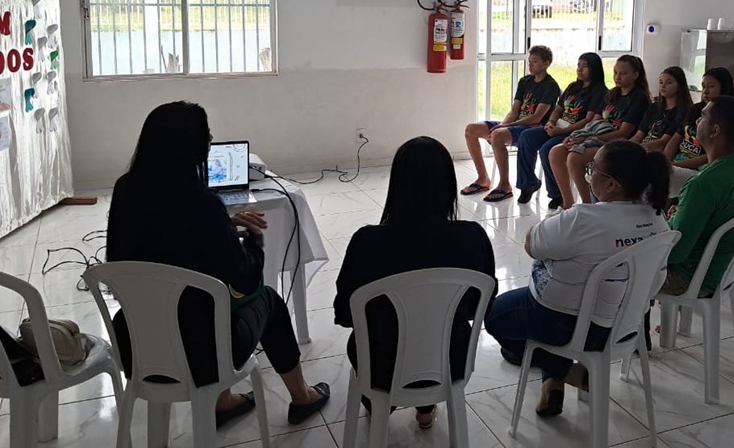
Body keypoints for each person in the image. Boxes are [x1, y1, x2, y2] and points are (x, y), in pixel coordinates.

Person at [106, 101, 329, 429]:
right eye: (205, 134)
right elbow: (248, 279)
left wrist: (221, 228)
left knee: (204, 308)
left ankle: (224, 402)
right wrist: (252, 237)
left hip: (136, 344)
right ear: (191, 145)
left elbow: (146, 249)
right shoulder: (201, 204)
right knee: (269, 301)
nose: (211, 138)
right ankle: (301, 397)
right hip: (202, 353)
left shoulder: (125, 189)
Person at [485, 140, 670, 417]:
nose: (588, 172)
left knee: (496, 317)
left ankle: (565, 371)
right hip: (621, 327)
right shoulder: (657, 217)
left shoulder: (583, 219)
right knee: (566, 297)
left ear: (611, 186)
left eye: (593, 168)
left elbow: (531, 244)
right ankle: (554, 381)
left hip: (565, 324)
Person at [334, 136, 498, 429]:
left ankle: (379, 403)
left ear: (395, 184)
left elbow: (346, 315)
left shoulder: (367, 242)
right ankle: (425, 407)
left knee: (377, 336)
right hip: (451, 361)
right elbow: (480, 306)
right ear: (449, 184)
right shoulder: (473, 237)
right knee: (435, 330)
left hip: (380, 365)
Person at [661, 96, 734, 299]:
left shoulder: (703, 183)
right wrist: (682, 214)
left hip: (689, 278)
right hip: (723, 270)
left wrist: (670, 222)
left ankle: (628, 329)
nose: (696, 121)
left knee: (614, 275)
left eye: (702, 117)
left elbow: (675, 252)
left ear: (715, 130)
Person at [545, 55, 652, 209]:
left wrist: (589, 139)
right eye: (615, 72)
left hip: (617, 144)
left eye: (623, 73)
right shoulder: (611, 94)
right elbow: (593, 122)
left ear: (635, 75)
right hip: (596, 136)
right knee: (556, 152)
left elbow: (623, 132)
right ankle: (568, 204)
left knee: (575, 157)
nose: (617, 77)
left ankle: (587, 206)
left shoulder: (638, 98)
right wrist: (577, 136)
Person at [461, 45, 559, 202]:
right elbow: (514, 110)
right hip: (514, 124)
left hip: (531, 128)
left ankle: (505, 185)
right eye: (529, 61)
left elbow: (536, 117)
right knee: (471, 129)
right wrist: (502, 125)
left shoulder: (551, 86)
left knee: (498, 136)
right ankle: (482, 178)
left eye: (534, 61)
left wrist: (503, 128)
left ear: (546, 63)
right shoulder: (525, 81)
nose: (530, 65)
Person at [513, 52, 607, 208]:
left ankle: (557, 195)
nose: (579, 69)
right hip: (557, 126)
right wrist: (551, 122)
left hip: (574, 131)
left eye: (584, 66)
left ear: (594, 69)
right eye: (578, 65)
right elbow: (558, 108)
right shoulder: (573, 87)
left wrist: (561, 131)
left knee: (546, 149)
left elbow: (588, 120)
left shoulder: (600, 92)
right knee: (526, 136)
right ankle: (527, 183)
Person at [663, 67, 734, 197]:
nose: (705, 91)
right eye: (703, 86)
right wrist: (666, 160)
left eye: (711, 86)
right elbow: (676, 137)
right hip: (675, 164)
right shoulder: (696, 109)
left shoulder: (727, 117)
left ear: (724, 88)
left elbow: (711, 156)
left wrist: (675, 165)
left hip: (696, 169)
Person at [628, 66, 694, 152]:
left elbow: (664, 141)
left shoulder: (683, 112)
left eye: (669, 83)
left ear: (679, 86)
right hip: (643, 147)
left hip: (656, 152)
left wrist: (638, 149)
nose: (663, 86)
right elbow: (639, 135)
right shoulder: (653, 107)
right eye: (661, 82)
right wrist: (626, 146)